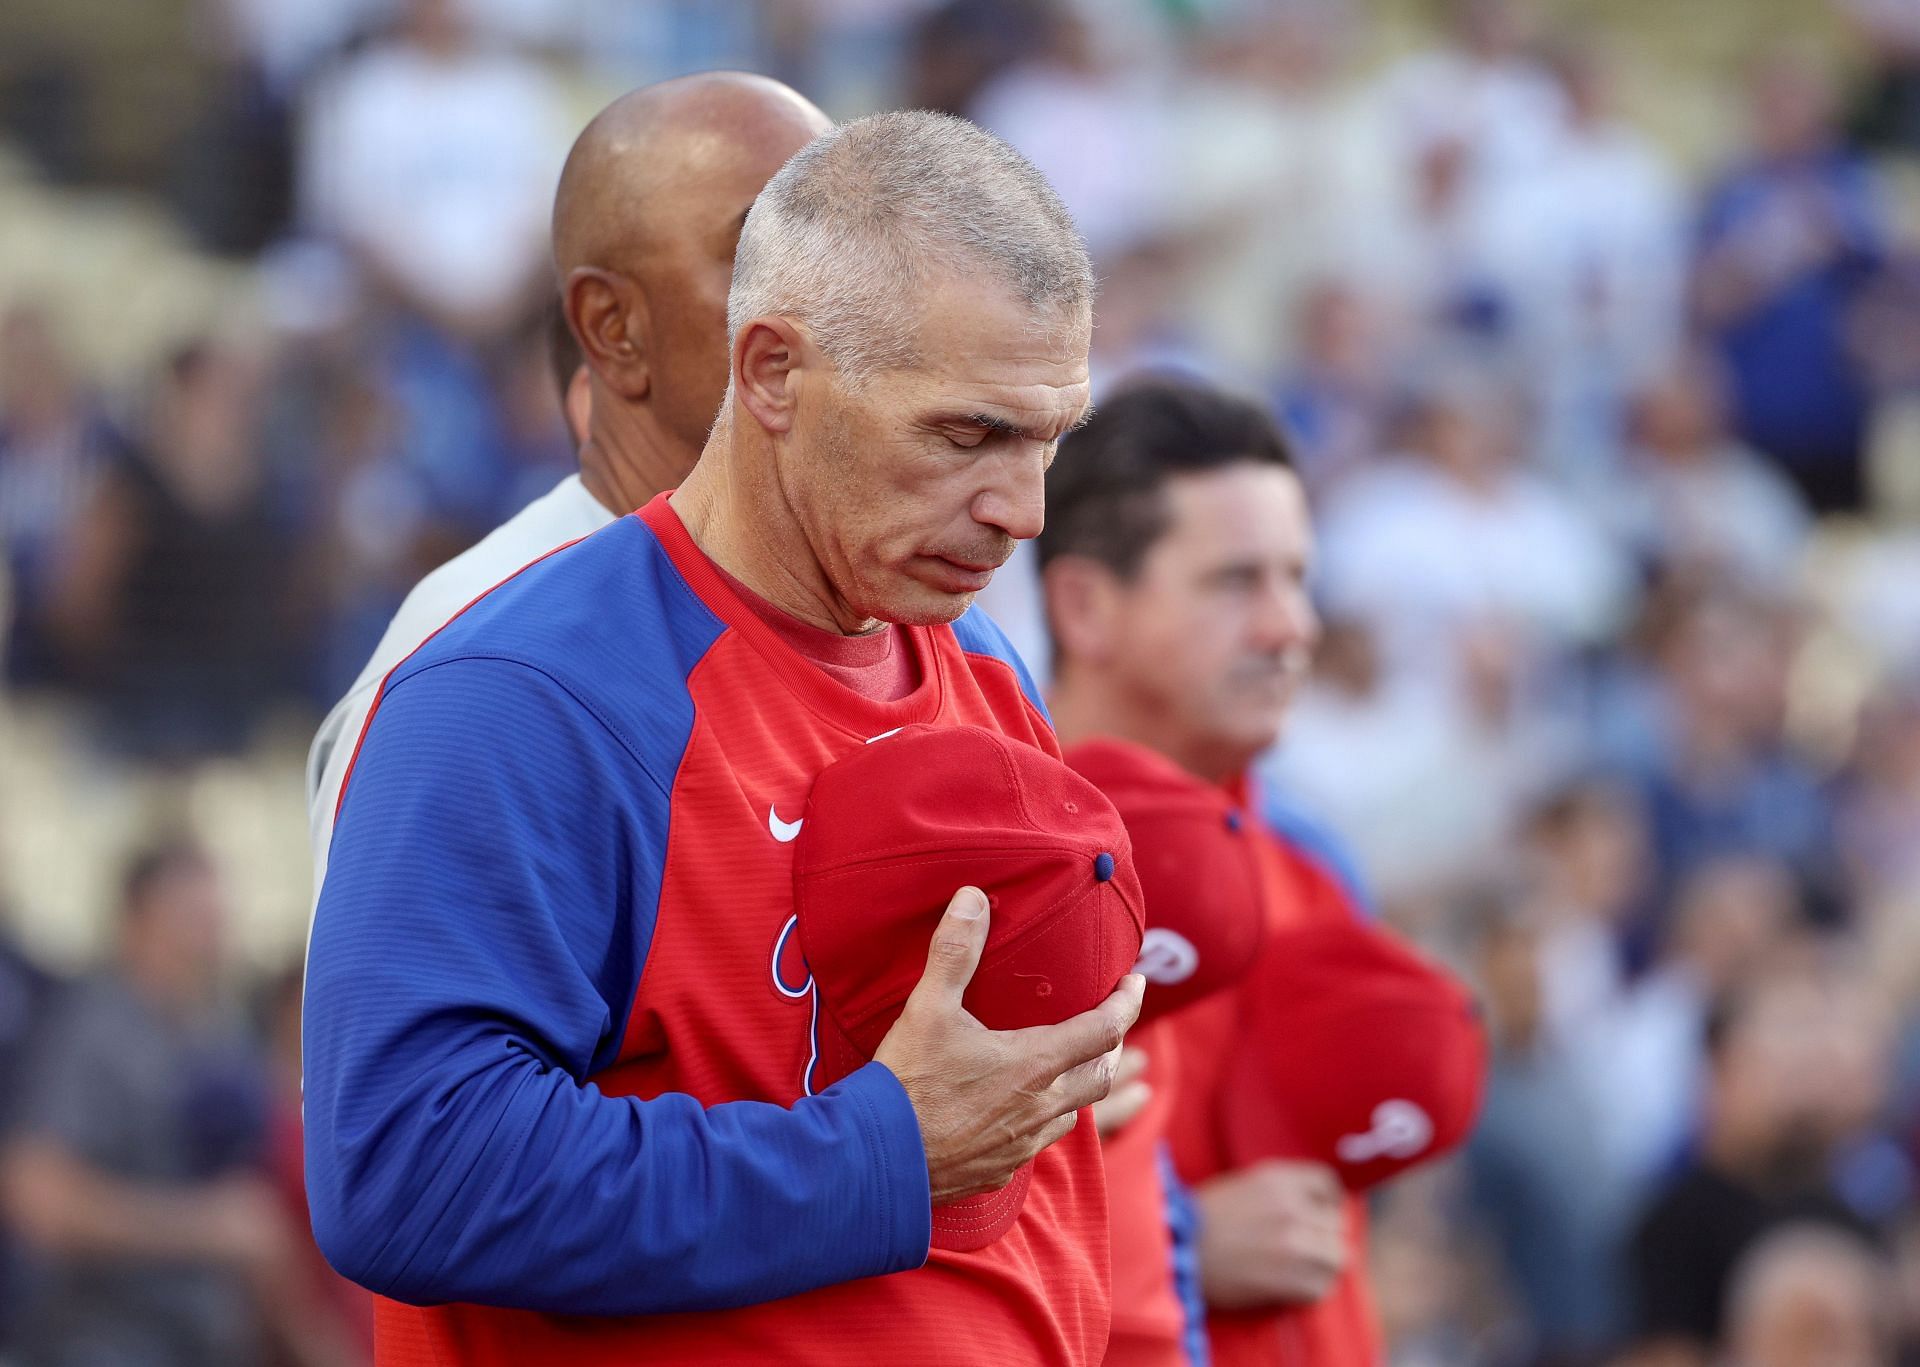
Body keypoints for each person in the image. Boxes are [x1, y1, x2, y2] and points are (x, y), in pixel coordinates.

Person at [303, 111, 1142, 1365]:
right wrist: (880, 1151)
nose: (1023, 511)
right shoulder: (524, 693)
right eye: (967, 434)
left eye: (1048, 439)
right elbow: (410, 1167)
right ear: (772, 372)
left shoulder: (979, 662)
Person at [304, 72, 832, 906]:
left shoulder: (914, 620)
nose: (836, 301)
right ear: (614, 330)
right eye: (763, 252)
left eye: (846, 251)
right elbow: (425, 1039)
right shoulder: (469, 661)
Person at [1038, 378, 1473, 1365]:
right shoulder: (992, 859)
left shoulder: (1313, 859)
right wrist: (1188, 1239)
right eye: (1238, 582)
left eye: (1298, 577)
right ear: (1084, 605)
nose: (1292, 628)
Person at [0, 843, 300, 1366]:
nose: (209, 939)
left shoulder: (216, 1026)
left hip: (210, 1341)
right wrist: (204, 1227)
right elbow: (36, 1195)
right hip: (106, 1341)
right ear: (135, 920)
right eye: (190, 920)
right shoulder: (93, 1028)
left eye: (216, 919)